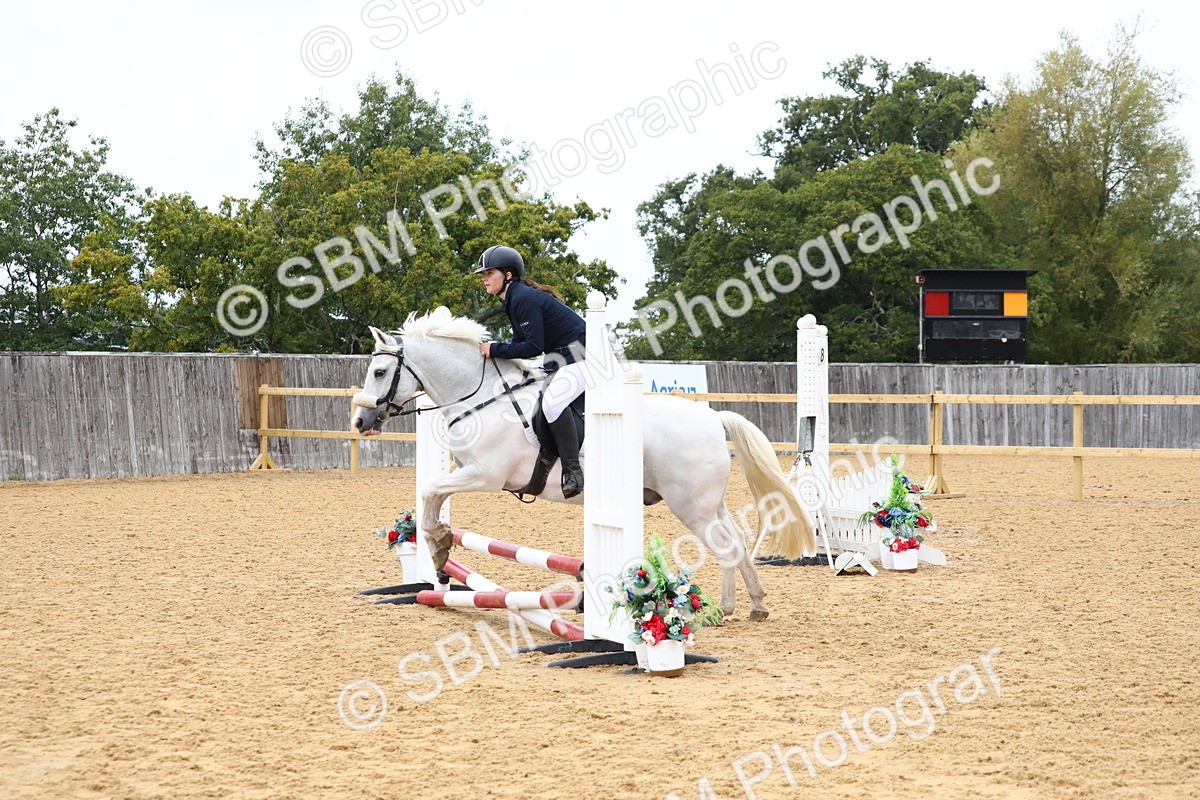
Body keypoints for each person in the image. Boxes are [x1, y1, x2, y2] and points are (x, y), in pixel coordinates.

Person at [474, 245, 587, 498]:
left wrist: (494, 348)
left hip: (586, 355)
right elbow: (523, 344)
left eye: (489, 273)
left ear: (508, 275)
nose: (484, 278)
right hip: (561, 357)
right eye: (483, 274)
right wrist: (499, 349)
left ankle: (573, 471)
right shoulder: (515, 299)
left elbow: (532, 346)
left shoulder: (522, 298)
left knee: (552, 403)